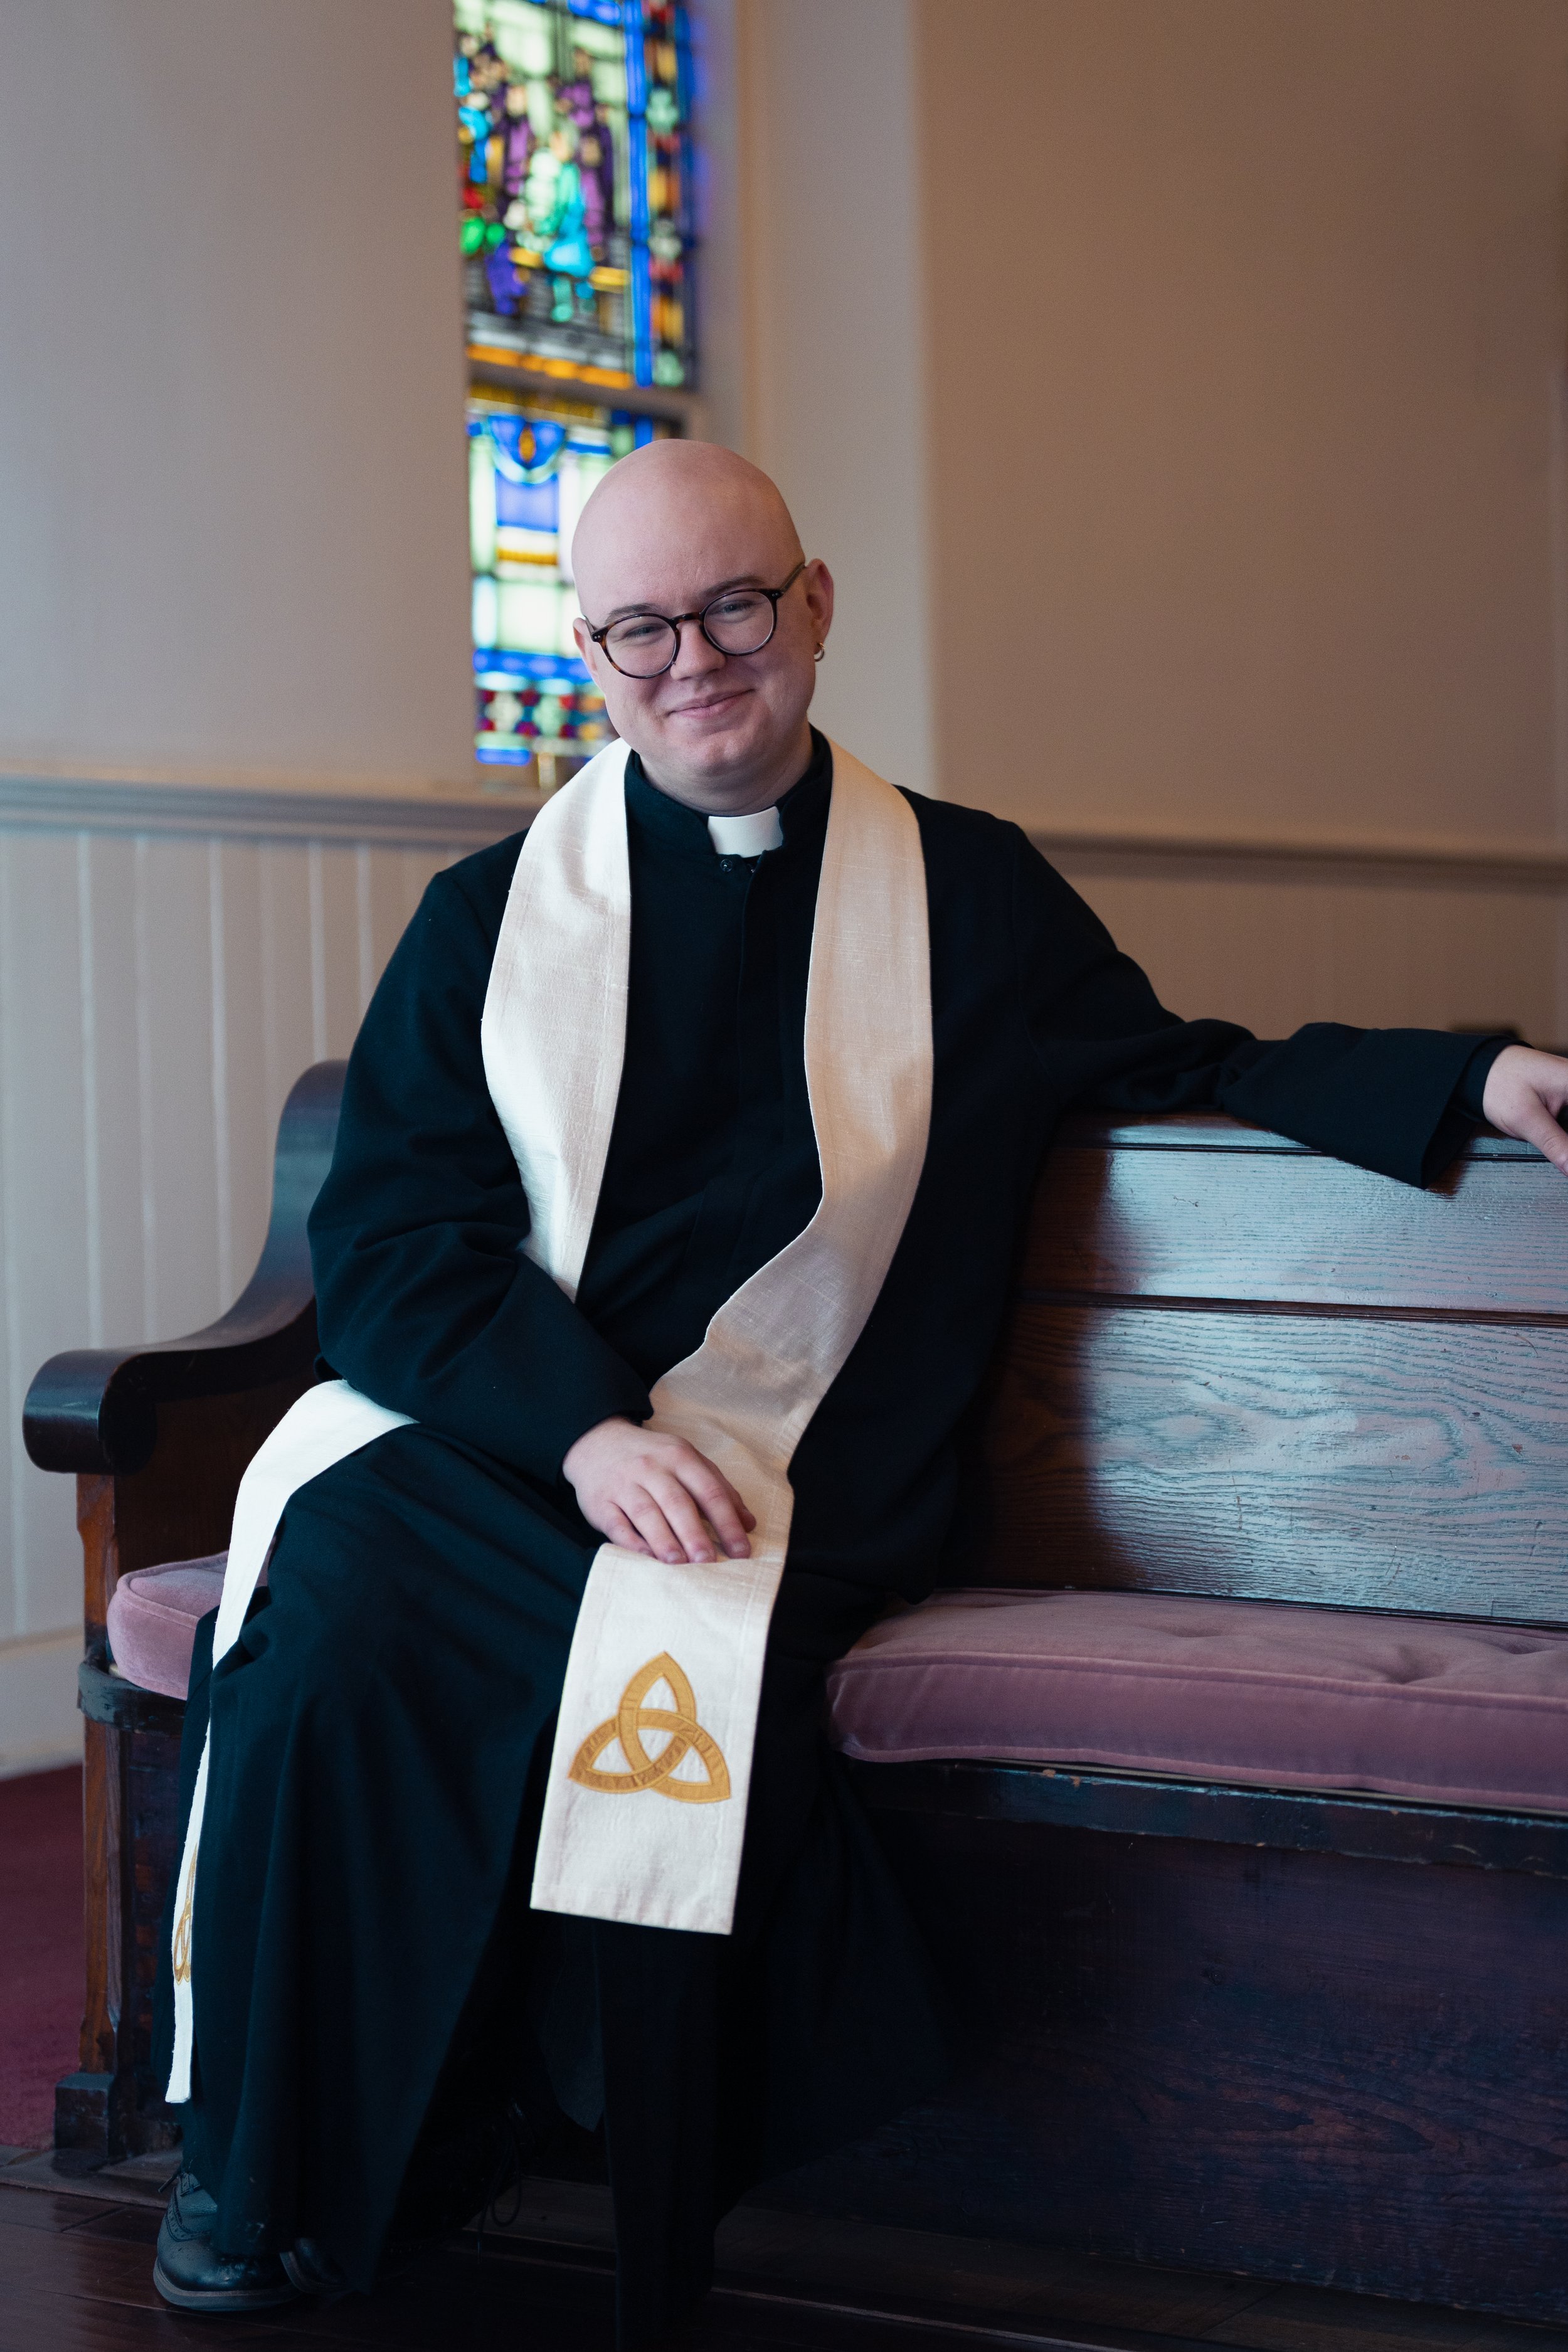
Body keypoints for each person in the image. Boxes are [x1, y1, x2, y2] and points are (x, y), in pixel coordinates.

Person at [149, 441, 1568, 2342]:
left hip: (789, 1473)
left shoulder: (964, 897)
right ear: (588, 654)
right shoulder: (492, 922)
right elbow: (398, 1245)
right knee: (330, 1616)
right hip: (515, 1443)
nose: (694, 660)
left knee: (639, 1635)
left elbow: (1177, 1058)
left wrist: (1466, 1078)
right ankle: (274, 2175)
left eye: (733, 606)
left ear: (813, 606)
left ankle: (547, 2139)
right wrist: (581, 1435)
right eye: (641, 629)